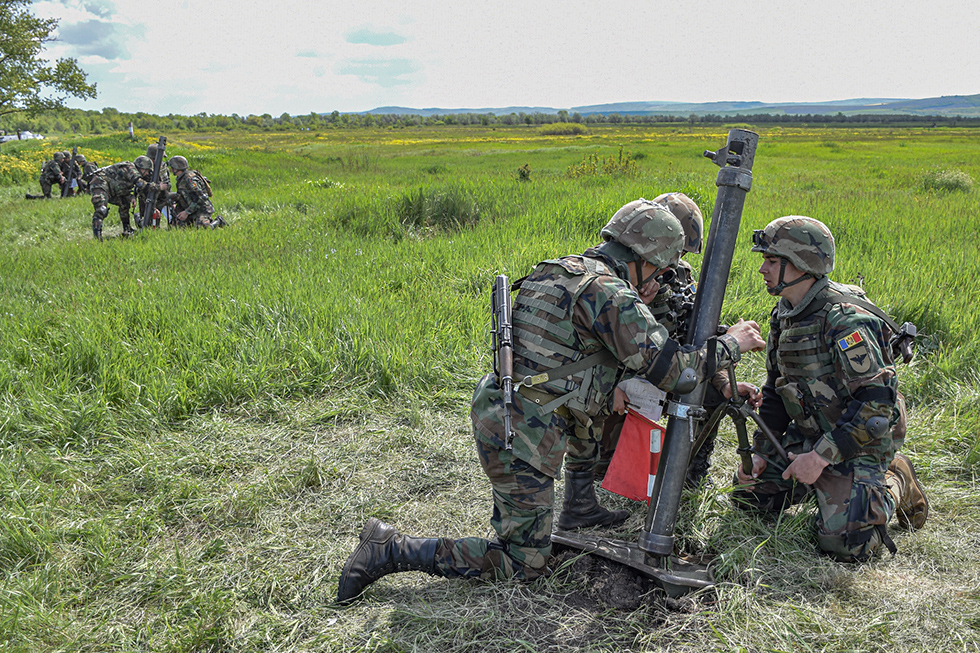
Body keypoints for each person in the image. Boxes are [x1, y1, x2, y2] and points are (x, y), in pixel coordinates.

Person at [337, 199, 766, 603]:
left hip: (517, 408)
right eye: (660, 269)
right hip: (523, 429)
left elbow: (582, 354)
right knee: (524, 563)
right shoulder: (609, 292)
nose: (659, 279)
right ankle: (392, 548)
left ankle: (578, 508)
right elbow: (679, 373)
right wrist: (732, 343)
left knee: (593, 414)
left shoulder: (562, 268)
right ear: (645, 259)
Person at [733, 215, 928, 562]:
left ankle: (894, 478)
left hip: (861, 439)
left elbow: (877, 409)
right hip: (813, 431)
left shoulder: (845, 320)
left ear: (802, 263)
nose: (762, 268)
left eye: (772, 261)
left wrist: (821, 457)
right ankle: (832, 488)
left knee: (847, 544)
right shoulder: (786, 313)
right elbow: (776, 390)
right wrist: (761, 452)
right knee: (748, 497)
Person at [89, 155, 160, 240]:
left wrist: (131, 197)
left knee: (124, 203)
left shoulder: (130, 173)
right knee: (101, 209)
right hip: (100, 183)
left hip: (113, 188)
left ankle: (127, 229)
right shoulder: (130, 168)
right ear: (142, 167)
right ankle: (97, 236)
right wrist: (159, 187)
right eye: (147, 171)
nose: (147, 174)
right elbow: (140, 184)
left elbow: (122, 187)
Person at [167, 155, 214, 228]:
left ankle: (218, 222)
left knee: (201, 227)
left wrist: (186, 212)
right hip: (190, 208)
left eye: (172, 168)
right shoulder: (181, 179)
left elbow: (201, 198)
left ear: (176, 168)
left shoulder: (190, 179)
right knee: (180, 227)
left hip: (202, 209)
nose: (171, 170)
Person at [136, 143, 171, 226]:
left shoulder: (163, 167)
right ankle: (139, 220)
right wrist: (152, 207)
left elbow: (167, 181)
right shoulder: (145, 168)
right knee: (148, 223)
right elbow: (143, 189)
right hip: (147, 197)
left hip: (162, 196)